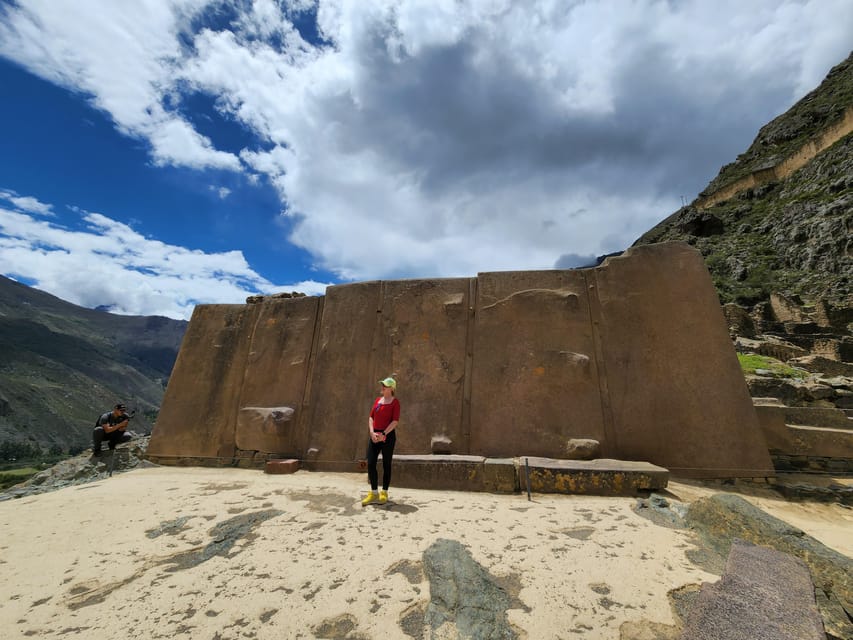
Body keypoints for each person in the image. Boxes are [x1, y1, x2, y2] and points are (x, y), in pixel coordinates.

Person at [362, 377, 400, 506]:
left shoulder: (395, 403)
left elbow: (395, 421)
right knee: (371, 463)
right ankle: (373, 492)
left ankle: (384, 492)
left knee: (386, 464)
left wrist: (384, 434)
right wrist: (372, 432)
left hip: (387, 436)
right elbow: (371, 417)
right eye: (382, 384)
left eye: (385, 385)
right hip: (375, 436)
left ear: (392, 388)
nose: (383, 386)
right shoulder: (378, 400)